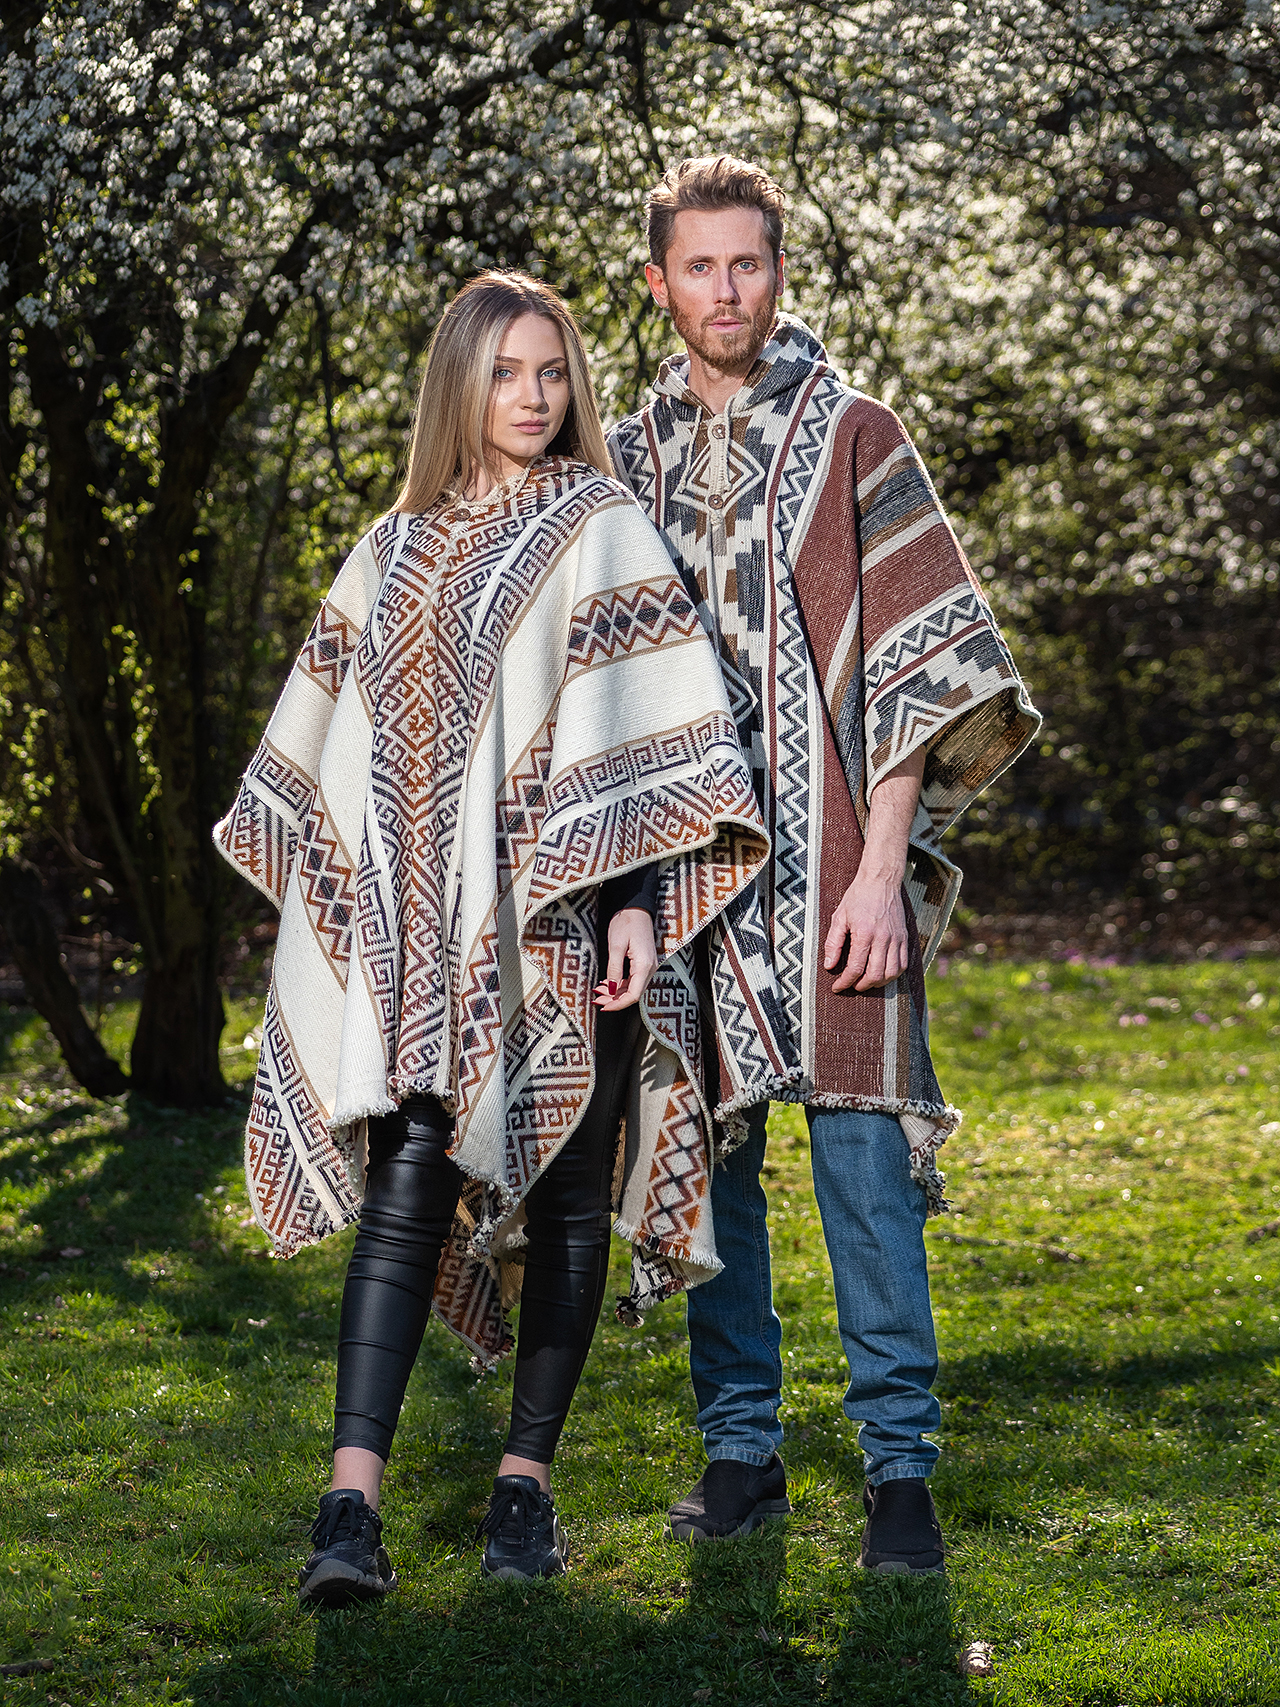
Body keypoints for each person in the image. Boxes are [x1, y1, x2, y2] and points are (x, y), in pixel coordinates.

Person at [214, 271, 776, 1603]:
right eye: (507, 372)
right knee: (408, 1187)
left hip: (572, 925)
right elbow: (330, 749)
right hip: (420, 940)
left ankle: (523, 1488)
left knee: (570, 1198)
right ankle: (349, 1509)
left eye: (552, 372)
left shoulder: (600, 527)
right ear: (458, 384)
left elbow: (652, 730)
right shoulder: (393, 547)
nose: (533, 397)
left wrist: (636, 902)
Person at [607, 158, 1041, 1573]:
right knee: (711, 1166)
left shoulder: (857, 433)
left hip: (844, 868)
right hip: (688, 875)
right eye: (699, 267)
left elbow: (919, 665)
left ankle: (899, 1476)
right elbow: (600, 684)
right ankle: (740, 1455)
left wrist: (881, 872)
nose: (725, 290)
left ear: (779, 271)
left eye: (748, 263)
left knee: (864, 1174)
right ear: (660, 283)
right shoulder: (626, 461)